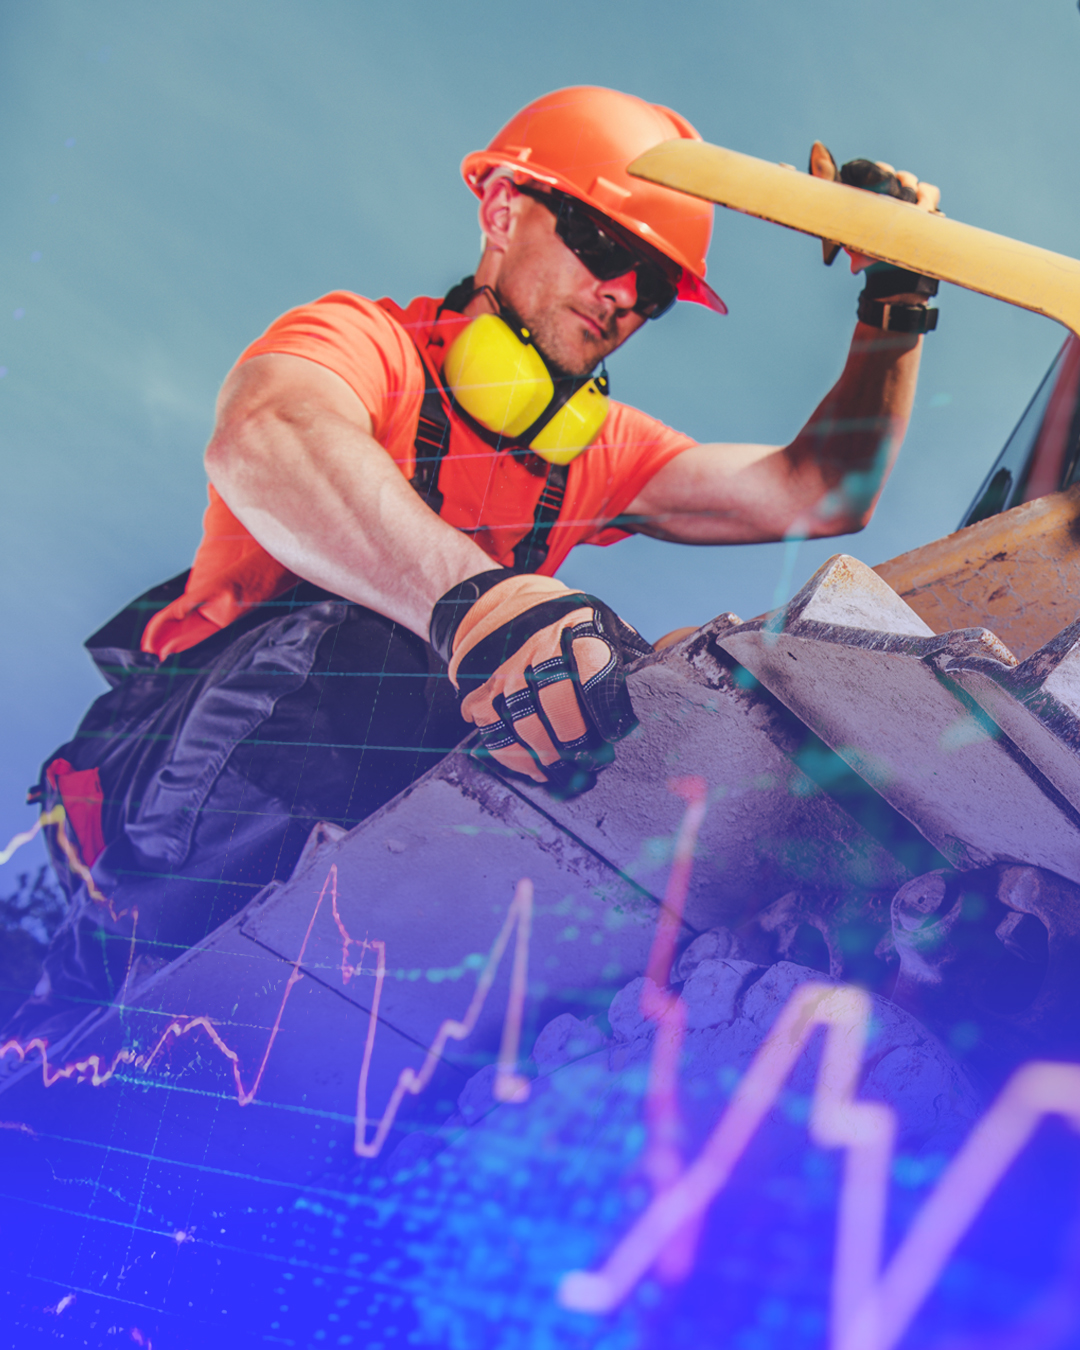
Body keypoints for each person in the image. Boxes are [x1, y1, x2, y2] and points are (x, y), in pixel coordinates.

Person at [14, 86, 940, 1041]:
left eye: (654, 288)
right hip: (184, 774)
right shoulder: (369, 345)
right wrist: (475, 602)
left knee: (604, 691)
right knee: (370, 649)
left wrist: (895, 307)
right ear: (503, 209)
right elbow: (268, 430)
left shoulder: (589, 452)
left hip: (368, 805)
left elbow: (821, 489)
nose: (623, 297)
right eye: (605, 245)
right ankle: (105, 982)